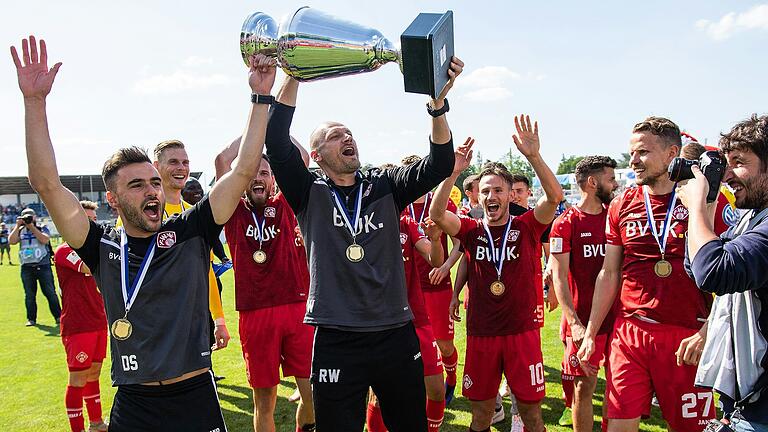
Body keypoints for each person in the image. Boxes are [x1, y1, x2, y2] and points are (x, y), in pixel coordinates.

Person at [11, 35, 275, 430]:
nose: (152, 190)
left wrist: (259, 99)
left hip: (195, 397)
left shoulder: (191, 229)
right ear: (113, 200)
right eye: (137, 185)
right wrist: (35, 103)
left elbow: (241, 169)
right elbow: (46, 184)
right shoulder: (100, 245)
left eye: (154, 182)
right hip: (135, 404)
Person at [263, 53, 463, 431]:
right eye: (335, 135)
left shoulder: (384, 186)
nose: (347, 137)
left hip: (395, 333)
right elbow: (276, 143)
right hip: (337, 336)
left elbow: (438, 164)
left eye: (349, 132)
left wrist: (437, 105)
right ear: (318, 155)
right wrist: (294, 75)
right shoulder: (307, 191)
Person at [578, 117, 715, 432]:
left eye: (642, 153)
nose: (633, 161)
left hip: (686, 334)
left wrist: (707, 332)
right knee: (618, 427)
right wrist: (590, 332)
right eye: (631, 153)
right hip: (630, 333)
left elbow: (729, 277)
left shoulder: (704, 200)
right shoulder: (622, 204)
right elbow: (609, 273)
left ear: (670, 154)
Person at [431, 115, 563, 432]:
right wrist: (453, 173)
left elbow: (555, 197)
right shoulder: (472, 230)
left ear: (509, 195)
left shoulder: (527, 226)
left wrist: (533, 156)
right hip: (482, 333)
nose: (492, 196)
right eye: (486, 190)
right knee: (481, 417)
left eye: (499, 190)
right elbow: (437, 214)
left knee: (532, 417)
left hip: (522, 333)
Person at [215, 138, 316, 432]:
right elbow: (222, 161)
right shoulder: (232, 209)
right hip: (255, 312)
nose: (258, 179)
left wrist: (273, 125)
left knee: (312, 391)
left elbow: (303, 157)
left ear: (273, 179)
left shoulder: (285, 204)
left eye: (264, 173)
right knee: (264, 399)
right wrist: (253, 131)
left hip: (297, 308)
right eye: (252, 174)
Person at [682, 114, 768, 432]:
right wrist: (706, 202)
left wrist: (694, 206)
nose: (728, 174)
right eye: (726, 163)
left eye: (739, 162)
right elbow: (696, 266)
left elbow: (712, 272)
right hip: (745, 401)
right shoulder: (752, 218)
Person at [549, 156, 619, 432]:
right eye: (610, 179)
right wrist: (575, 324)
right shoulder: (565, 223)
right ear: (592, 182)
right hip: (581, 322)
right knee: (583, 389)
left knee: (620, 391)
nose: (614, 184)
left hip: (618, 321)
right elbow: (558, 277)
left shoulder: (616, 216)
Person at [366, 213, 447, 432]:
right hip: (379, 323)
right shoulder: (363, 221)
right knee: (380, 395)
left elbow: (435, 260)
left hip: (415, 318)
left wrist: (436, 239)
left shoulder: (406, 223)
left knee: (437, 390)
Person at [401, 154, 463, 405]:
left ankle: (450, 377)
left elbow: (461, 241)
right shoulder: (398, 203)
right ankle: (423, 388)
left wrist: (447, 266)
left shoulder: (441, 204)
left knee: (444, 344)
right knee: (412, 344)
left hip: (437, 285)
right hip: (406, 289)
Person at [53, 201, 108, 432]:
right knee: (77, 380)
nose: (92, 226)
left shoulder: (96, 248)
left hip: (98, 320)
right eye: (87, 221)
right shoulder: (65, 250)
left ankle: (96, 423)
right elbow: (89, 267)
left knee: (93, 375)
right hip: (78, 325)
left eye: (94, 221)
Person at [9, 207, 61, 326]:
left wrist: (31, 227)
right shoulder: (20, 230)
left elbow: (44, 239)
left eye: (30, 216)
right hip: (27, 267)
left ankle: (58, 316)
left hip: (43, 266)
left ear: (34, 217)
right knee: (29, 295)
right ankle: (31, 319)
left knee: (50, 292)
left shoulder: (42, 228)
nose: (28, 218)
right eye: (25, 216)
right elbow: (12, 241)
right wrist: (17, 226)